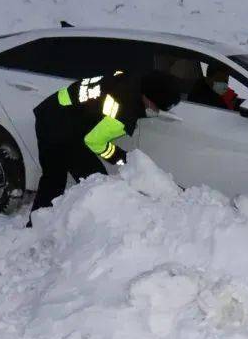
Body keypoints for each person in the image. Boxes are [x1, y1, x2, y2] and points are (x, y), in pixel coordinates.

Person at [27, 70, 180, 225]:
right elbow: (94, 142)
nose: (155, 111)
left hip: (60, 113)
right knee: (87, 181)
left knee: (78, 179)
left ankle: (49, 224)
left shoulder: (133, 77)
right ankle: (38, 228)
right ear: (148, 97)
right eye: (156, 106)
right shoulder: (122, 112)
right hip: (57, 125)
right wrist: (123, 159)